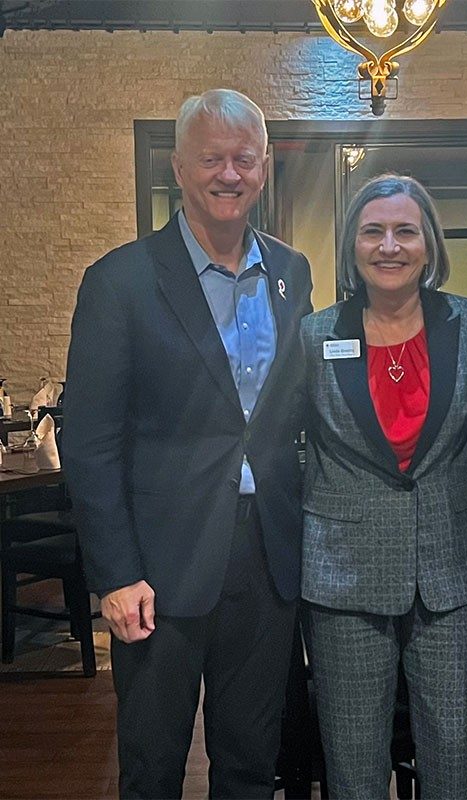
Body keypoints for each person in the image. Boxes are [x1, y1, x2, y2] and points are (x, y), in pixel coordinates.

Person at [61, 89, 313, 798]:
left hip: (267, 561)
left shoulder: (292, 275)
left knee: (248, 764)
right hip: (157, 572)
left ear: (264, 169)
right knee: (151, 767)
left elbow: (291, 412)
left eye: (244, 159)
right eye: (212, 158)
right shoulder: (120, 282)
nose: (229, 174)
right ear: (180, 167)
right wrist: (113, 573)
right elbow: (90, 443)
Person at [300, 174, 467, 799]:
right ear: (353, 246)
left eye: (406, 231)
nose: (390, 245)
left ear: (429, 246)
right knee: (352, 764)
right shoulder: (315, 335)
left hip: (449, 575)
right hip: (343, 578)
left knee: (456, 756)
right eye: (373, 231)